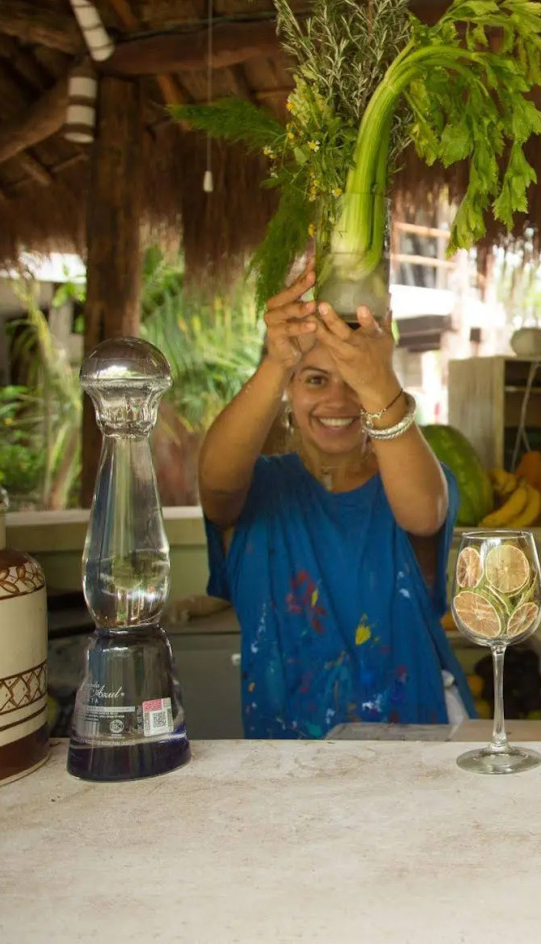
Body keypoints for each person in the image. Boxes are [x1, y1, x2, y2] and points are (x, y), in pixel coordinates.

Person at [198, 265, 473, 738]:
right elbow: (216, 483)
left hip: (415, 751)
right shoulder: (258, 489)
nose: (338, 401)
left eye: (353, 382)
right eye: (315, 381)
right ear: (289, 391)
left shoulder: (410, 477)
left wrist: (378, 382)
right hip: (288, 764)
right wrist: (278, 361)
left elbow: (426, 512)